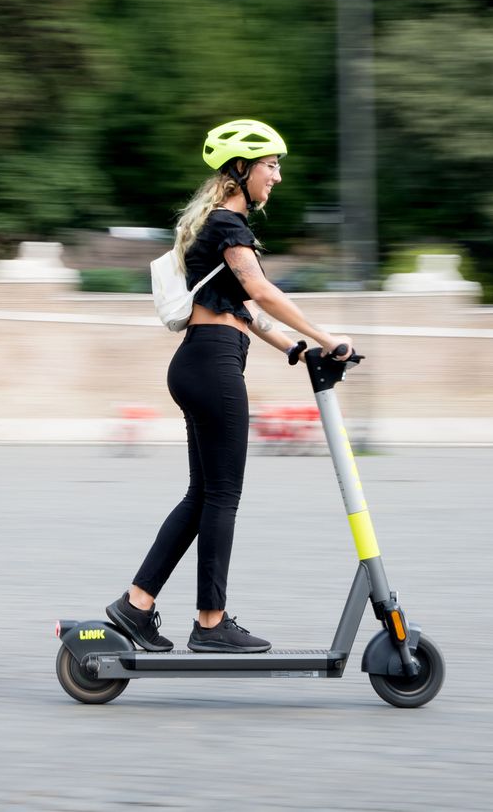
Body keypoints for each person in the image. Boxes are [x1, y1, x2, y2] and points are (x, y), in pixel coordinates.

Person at [106, 119, 357, 654]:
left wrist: (295, 347)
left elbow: (242, 310)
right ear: (240, 171)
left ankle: (135, 605)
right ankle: (211, 622)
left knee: (202, 494)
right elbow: (260, 291)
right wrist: (327, 336)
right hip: (214, 368)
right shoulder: (228, 225)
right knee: (223, 495)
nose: (278, 177)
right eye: (270, 166)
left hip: (199, 363)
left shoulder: (216, 228)